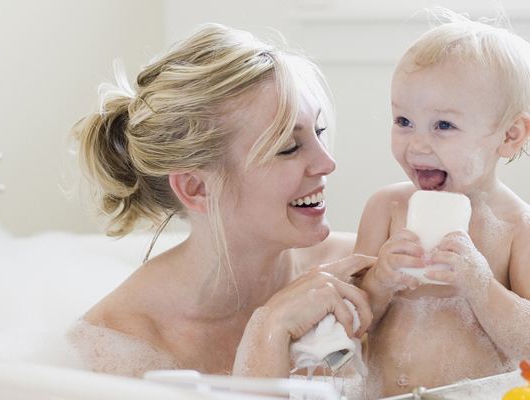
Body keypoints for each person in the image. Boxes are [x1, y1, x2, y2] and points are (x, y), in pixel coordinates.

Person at [67, 23, 374, 381]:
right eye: (288, 148)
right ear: (196, 188)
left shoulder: (364, 273)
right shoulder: (115, 349)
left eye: (319, 132)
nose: (327, 163)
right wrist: (269, 330)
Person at [354, 10, 530, 397]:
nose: (417, 144)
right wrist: (379, 281)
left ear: (510, 135)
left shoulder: (522, 229)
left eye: (443, 125)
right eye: (403, 121)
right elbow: (348, 321)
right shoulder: (386, 209)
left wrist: (480, 285)